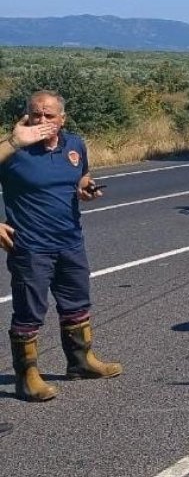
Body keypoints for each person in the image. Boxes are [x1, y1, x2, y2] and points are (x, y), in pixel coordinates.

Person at [1, 91, 122, 403]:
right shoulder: (12, 148)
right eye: (36, 115)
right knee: (29, 312)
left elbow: (81, 176)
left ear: (62, 119)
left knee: (77, 303)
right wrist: (16, 140)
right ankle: (27, 378)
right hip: (30, 245)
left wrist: (86, 188)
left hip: (69, 240)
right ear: (26, 116)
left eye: (49, 116)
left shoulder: (75, 145)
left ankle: (81, 362)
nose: (42, 121)